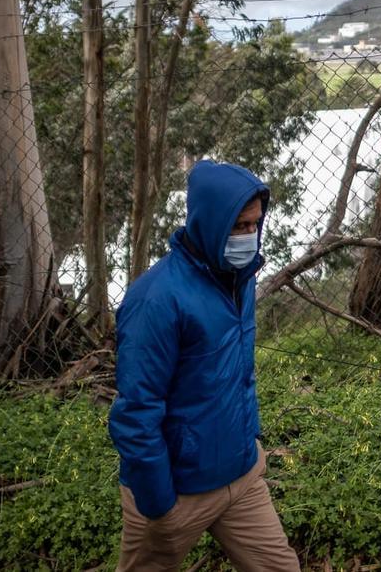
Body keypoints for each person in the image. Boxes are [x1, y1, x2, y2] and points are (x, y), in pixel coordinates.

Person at [109, 160, 300, 571]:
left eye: (255, 225)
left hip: (241, 476)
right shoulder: (156, 299)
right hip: (178, 491)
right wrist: (160, 505)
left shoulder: (239, 277)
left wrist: (250, 439)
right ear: (210, 222)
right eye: (240, 226)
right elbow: (135, 414)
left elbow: (235, 375)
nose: (250, 236)